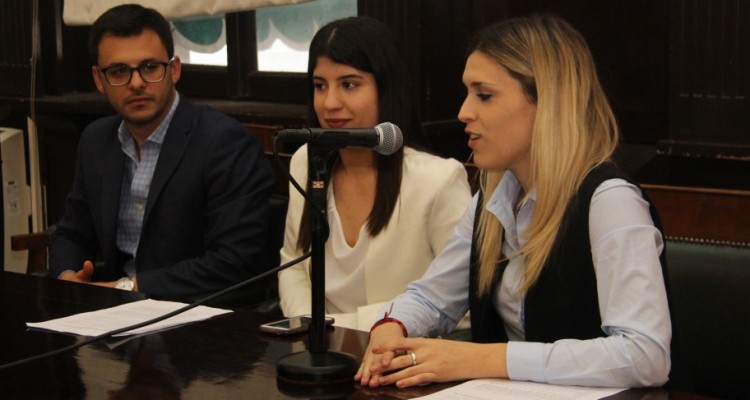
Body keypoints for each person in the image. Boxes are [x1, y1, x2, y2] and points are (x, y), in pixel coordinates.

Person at [356, 14, 672, 389]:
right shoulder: (492, 199)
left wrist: (485, 358)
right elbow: (431, 298)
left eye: (484, 95)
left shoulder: (610, 200)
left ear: (547, 101)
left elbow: (645, 355)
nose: (463, 112)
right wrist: (393, 326)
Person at [48, 4, 275, 303]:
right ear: (98, 80)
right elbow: (72, 233)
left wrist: (128, 287)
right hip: (114, 315)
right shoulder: (96, 141)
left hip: (197, 317)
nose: (137, 83)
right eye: (119, 72)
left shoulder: (225, 144)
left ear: (174, 69)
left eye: (150, 67)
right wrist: (68, 278)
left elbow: (233, 264)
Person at [278, 16, 472, 330]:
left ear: (384, 89)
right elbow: (293, 263)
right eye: (319, 86)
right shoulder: (305, 161)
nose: (329, 103)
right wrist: (310, 327)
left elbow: (463, 308)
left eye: (349, 84)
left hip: (397, 356)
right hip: (317, 349)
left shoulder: (437, 181)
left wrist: (346, 328)